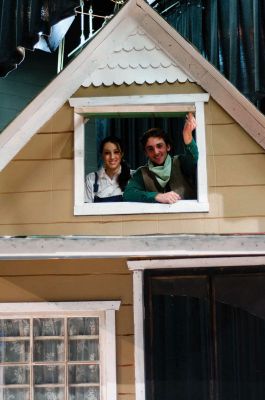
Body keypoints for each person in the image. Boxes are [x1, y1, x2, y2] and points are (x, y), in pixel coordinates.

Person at [123, 112, 198, 203]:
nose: (156, 152)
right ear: (146, 153)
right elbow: (128, 194)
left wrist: (187, 135)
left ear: (168, 147)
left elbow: (193, 158)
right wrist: (157, 196)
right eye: (150, 149)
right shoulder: (142, 173)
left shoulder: (180, 162)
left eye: (159, 146)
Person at [85, 136, 131, 202]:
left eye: (116, 152)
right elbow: (86, 210)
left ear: (122, 154)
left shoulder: (133, 177)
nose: (112, 157)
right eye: (107, 153)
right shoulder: (91, 179)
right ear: (102, 156)